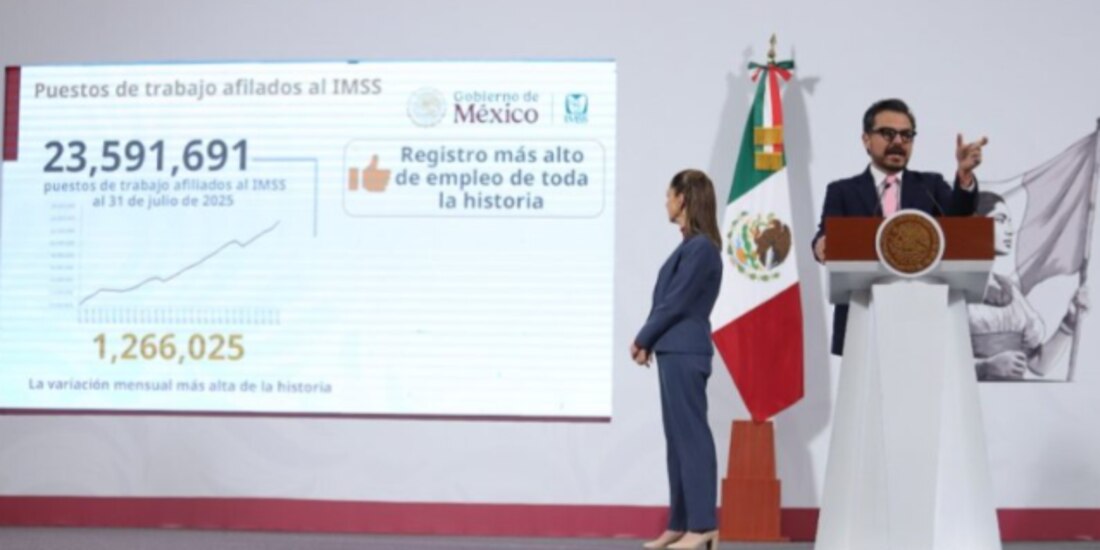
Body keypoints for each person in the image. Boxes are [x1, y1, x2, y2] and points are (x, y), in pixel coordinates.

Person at [811, 98, 987, 355]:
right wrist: (819, 245)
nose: (898, 142)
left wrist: (964, 176)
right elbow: (827, 233)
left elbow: (959, 219)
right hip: (862, 316)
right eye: (887, 133)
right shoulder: (842, 191)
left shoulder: (931, 186)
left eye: (906, 135)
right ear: (866, 140)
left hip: (924, 317)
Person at [632, 169, 722, 550]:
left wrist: (643, 336)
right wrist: (653, 341)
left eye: (669, 195)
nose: (666, 202)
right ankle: (681, 521)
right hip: (673, 350)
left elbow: (676, 301)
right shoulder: (689, 246)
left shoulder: (701, 248)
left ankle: (703, 526)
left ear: (683, 198)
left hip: (685, 349)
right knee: (678, 440)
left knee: (692, 437)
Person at [969, 191, 1089, 380]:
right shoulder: (955, 288)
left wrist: (1070, 320)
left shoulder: (1010, 290)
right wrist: (984, 367)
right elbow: (937, 359)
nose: (1010, 229)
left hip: (1015, 402)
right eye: (1000, 220)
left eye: (1009, 221)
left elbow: (1039, 365)